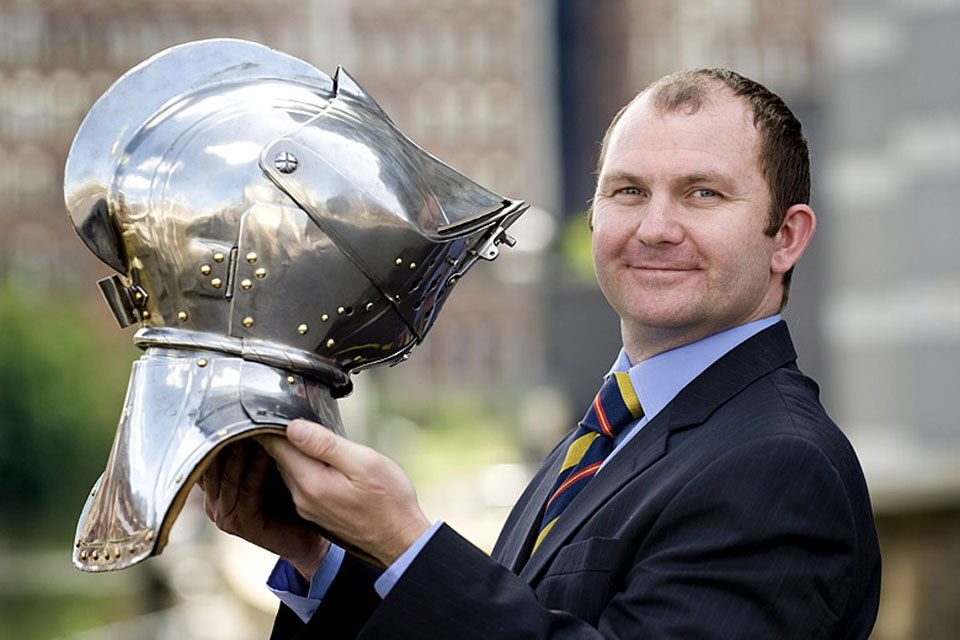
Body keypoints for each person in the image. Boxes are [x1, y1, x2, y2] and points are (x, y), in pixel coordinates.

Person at [201, 68, 881, 639]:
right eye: (628, 191)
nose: (655, 227)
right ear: (593, 216)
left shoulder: (781, 466)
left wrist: (405, 543)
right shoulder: (614, 429)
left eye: (702, 194)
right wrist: (318, 553)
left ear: (786, 238)